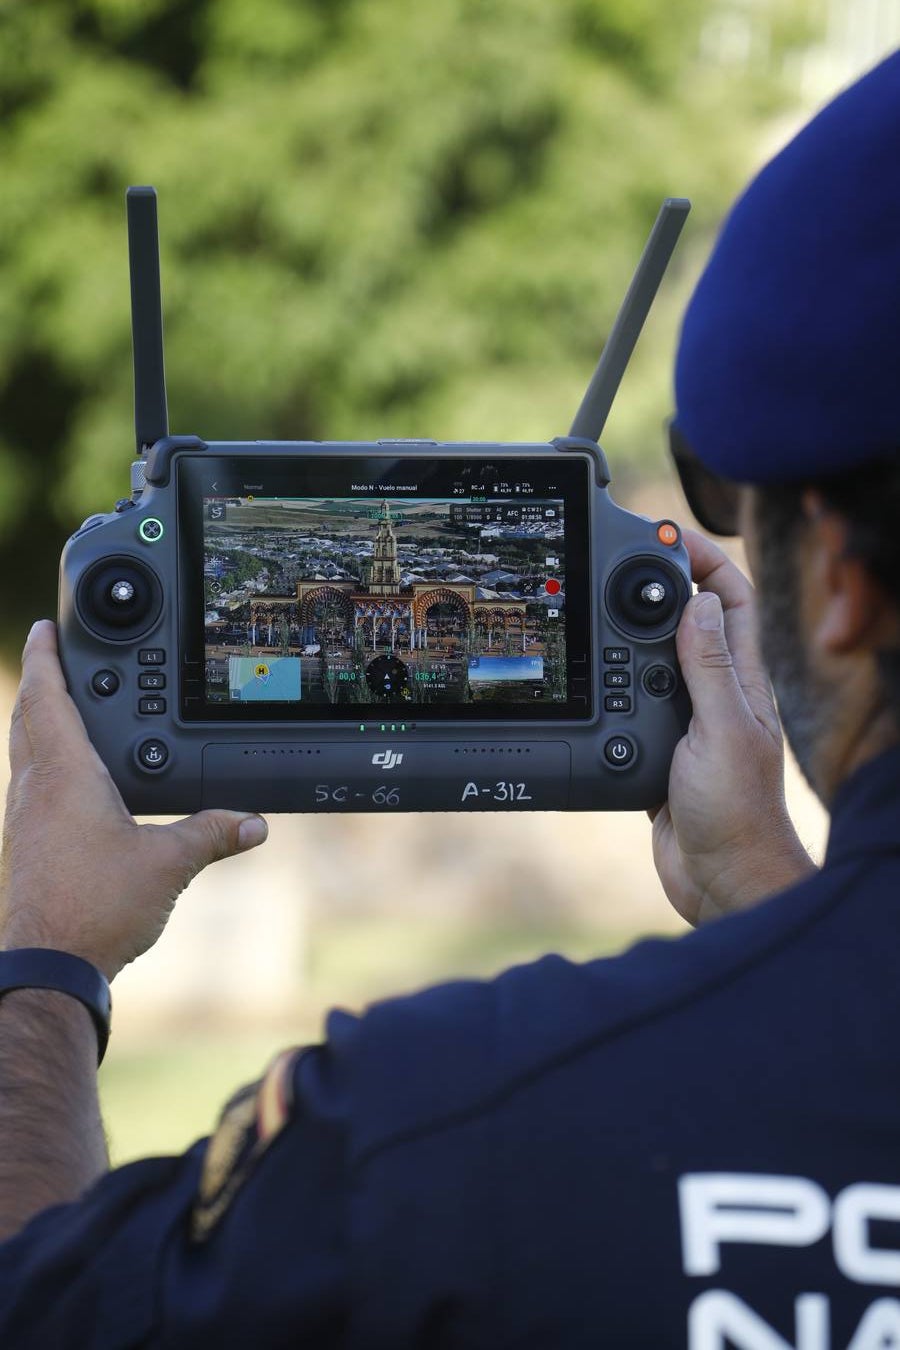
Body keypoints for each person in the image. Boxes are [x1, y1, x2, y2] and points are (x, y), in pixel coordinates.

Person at [1, 49, 900, 1350]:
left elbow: (38, 1312)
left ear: (843, 589)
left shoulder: (439, 1141)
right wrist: (763, 891)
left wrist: (43, 959)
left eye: (734, 510)